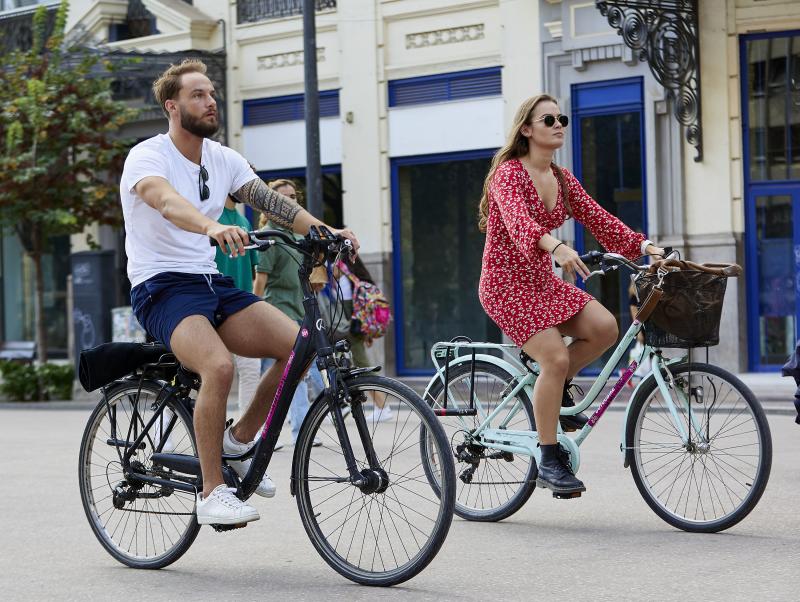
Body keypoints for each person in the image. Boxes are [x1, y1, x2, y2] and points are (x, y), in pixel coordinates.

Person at [120, 59, 358, 526]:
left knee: (302, 344)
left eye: (211, 94)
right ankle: (211, 492)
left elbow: (274, 204)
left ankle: (240, 441)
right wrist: (211, 225)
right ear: (172, 106)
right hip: (161, 288)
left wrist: (327, 230)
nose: (210, 102)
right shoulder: (148, 156)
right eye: (197, 95)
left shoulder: (223, 158)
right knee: (219, 366)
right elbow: (165, 201)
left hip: (210, 284)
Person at [477, 94, 663, 496]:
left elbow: (598, 217)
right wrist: (556, 247)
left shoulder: (561, 179)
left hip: (541, 284)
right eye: (549, 119)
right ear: (527, 129)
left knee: (605, 327)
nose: (559, 123)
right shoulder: (508, 175)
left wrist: (643, 245)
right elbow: (518, 220)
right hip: (505, 285)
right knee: (556, 356)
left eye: (561, 117)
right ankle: (548, 458)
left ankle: (555, 387)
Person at [253, 179, 323, 447]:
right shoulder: (270, 238)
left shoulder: (297, 237)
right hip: (277, 311)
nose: (291, 202)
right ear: (271, 206)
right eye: (284, 198)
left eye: (294, 197)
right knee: (292, 372)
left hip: (298, 310)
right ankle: (295, 432)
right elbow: (260, 282)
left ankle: (273, 431)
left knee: (293, 373)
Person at [213, 195, 262, 415]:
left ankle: (246, 434)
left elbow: (253, 270)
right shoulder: (213, 217)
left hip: (240, 306)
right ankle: (162, 427)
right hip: (211, 304)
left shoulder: (244, 222)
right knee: (197, 374)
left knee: (251, 369)